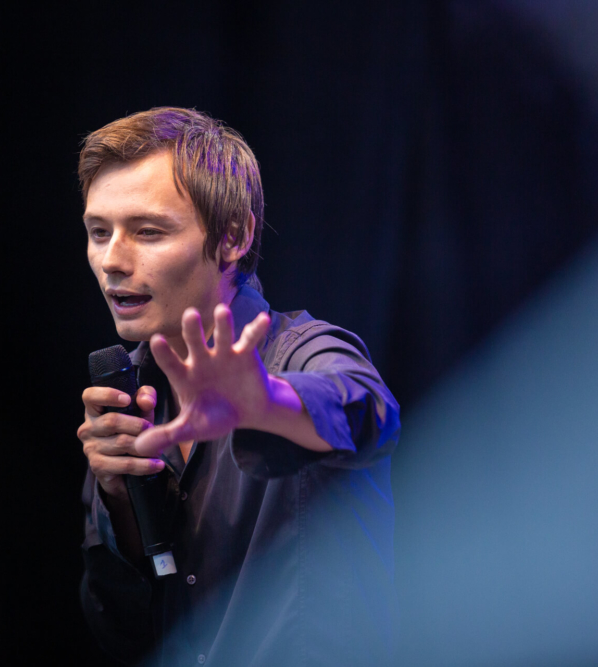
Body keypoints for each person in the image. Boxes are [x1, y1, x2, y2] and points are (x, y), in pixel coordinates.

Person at [76, 107, 400, 666]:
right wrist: (118, 501)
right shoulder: (128, 398)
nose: (112, 261)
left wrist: (265, 403)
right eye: (99, 232)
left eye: (148, 231)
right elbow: (122, 634)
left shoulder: (299, 351)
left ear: (233, 235)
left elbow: (369, 410)